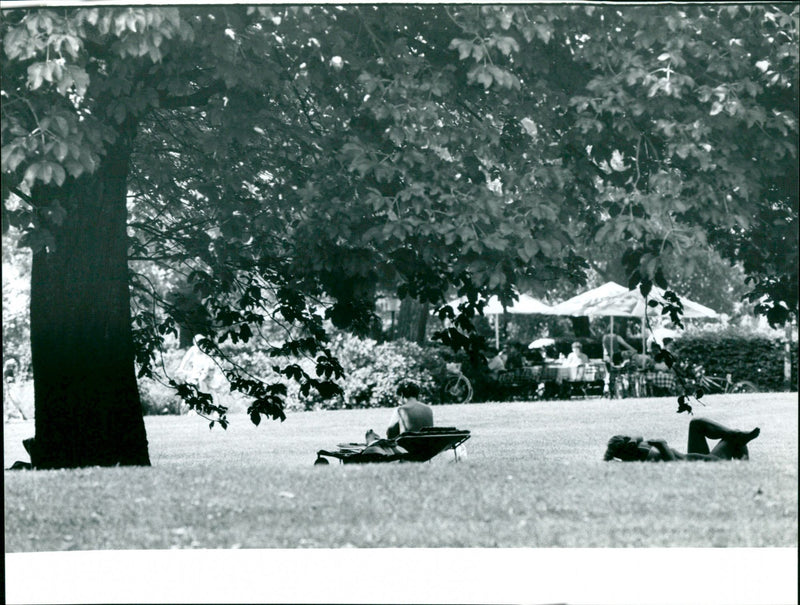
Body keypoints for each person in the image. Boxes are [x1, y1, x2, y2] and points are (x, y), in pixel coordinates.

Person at [603, 418, 761, 462]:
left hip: (695, 458)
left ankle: (736, 434)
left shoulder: (637, 447)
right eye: (626, 438)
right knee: (735, 440)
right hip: (706, 465)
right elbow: (673, 466)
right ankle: (743, 467)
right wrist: (662, 445)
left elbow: (638, 436)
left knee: (696, 424)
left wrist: (631, 440)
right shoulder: (644, 456)